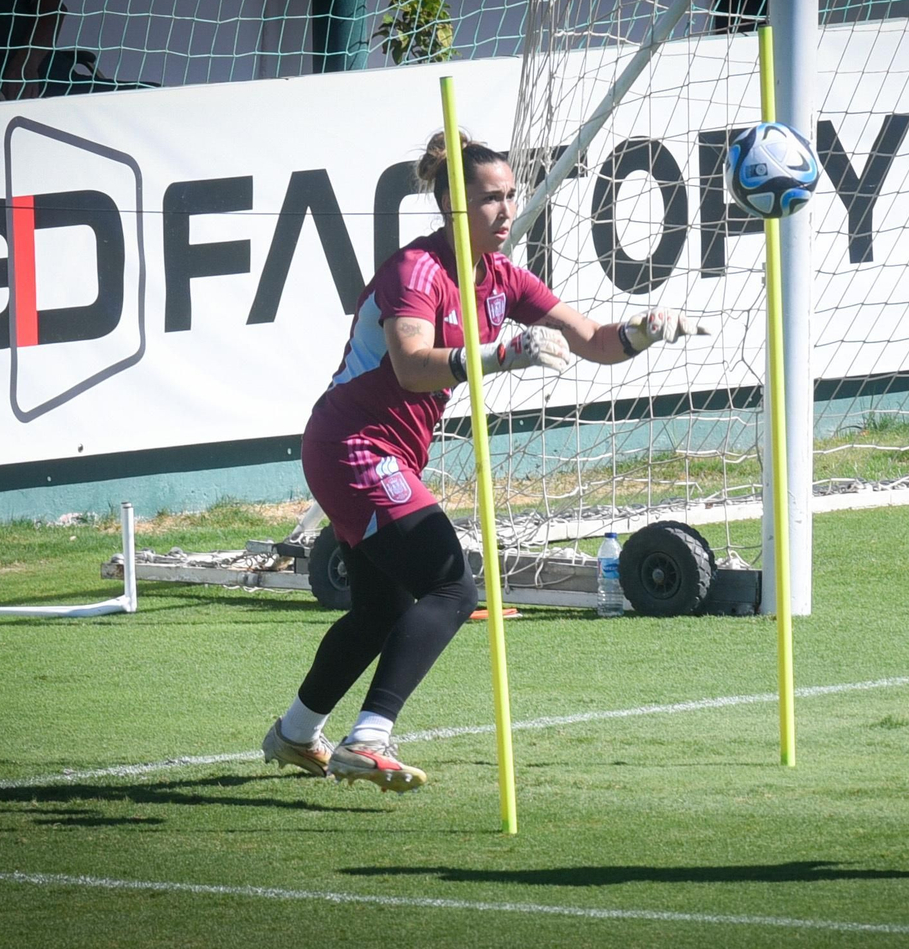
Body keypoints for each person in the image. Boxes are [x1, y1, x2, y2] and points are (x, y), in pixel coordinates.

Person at [261, 131, 710, 792]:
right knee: (453, 584)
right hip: (351, 444)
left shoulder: (501, 277)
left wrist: (644, 331)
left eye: (509, 196)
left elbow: (591, 339)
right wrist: (501, 354)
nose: (505, 211)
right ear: (452, 207)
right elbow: (414, 368)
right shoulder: (416, 272)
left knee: (378, 609)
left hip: (379, 452)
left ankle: (296, 734)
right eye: (490, 199)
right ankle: (368, 737)